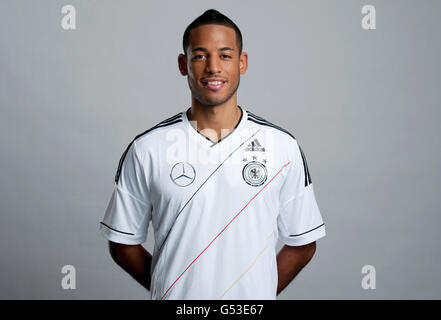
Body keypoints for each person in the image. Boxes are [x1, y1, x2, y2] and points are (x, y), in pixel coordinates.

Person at [99, 9, 325, 300]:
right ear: (184, 64)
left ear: (242, 63)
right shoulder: (148, 148)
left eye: (225, 55)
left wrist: (257, 292)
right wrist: (169, 287)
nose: (213, 67)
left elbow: (303, 243)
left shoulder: (281, 146)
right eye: (200, 55)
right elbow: (122, 242)